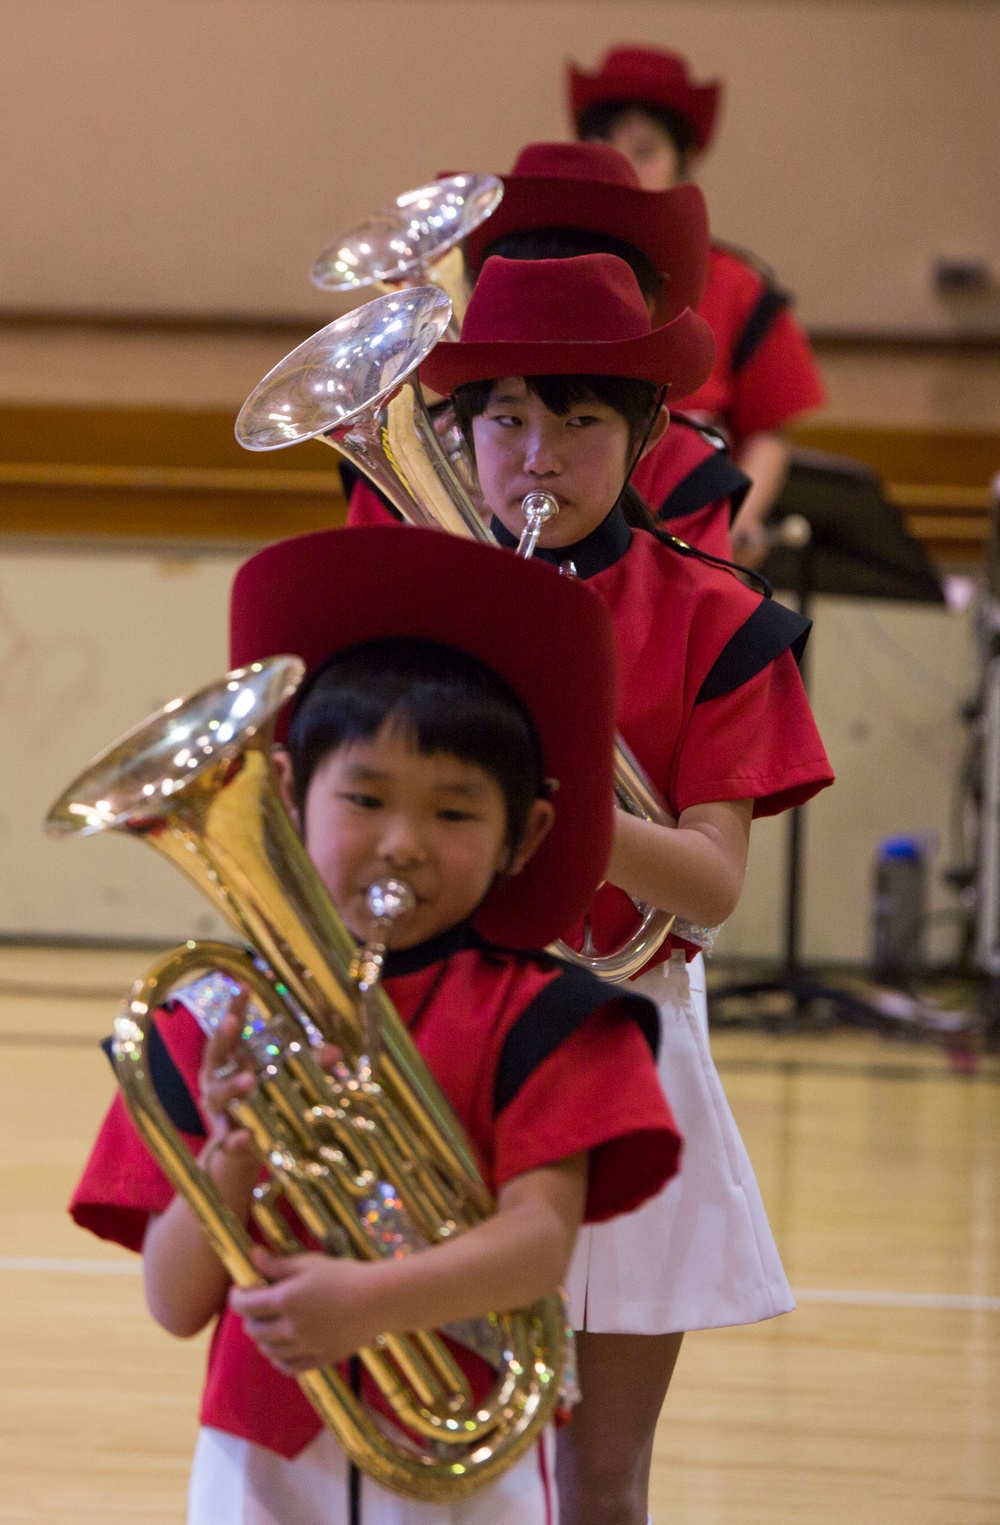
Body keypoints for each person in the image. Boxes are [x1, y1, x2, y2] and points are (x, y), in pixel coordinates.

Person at [69, 525, 685, 1525]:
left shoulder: (549, 1016)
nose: (402, 842)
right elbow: (173, 1303)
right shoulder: (210, 1014)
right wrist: (229, 1153)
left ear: (524, 833)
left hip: (467, 1462)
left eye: (454, 813)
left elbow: (537, 1244)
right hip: (257, 1465)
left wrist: (368, 1302)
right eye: (363, 797)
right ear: (287, 794)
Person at [416, 250, 835, 1524]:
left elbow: (706, 886)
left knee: (600, 1478)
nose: (535, 454)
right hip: (449, 1043)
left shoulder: (715, 618)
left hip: (629, 1032)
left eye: (579, 419)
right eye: (503, 419)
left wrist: (550, 788)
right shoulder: (419, 606)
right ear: (461, 432)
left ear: (646, 432)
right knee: (450, 1453)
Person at [345, 140, 749, 560]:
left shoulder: (687, 469)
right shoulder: (414, 451)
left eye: (594, 279)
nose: (539, 461)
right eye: (527, 277)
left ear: (642, 308)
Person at [569, 44, 826, 565]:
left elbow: (767, 436)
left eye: (644, 150)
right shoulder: (548, 275)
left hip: (697, 549)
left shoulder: (738, 285)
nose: (621, 168)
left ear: (684, 164)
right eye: (603, 147)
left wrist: (736, 522)